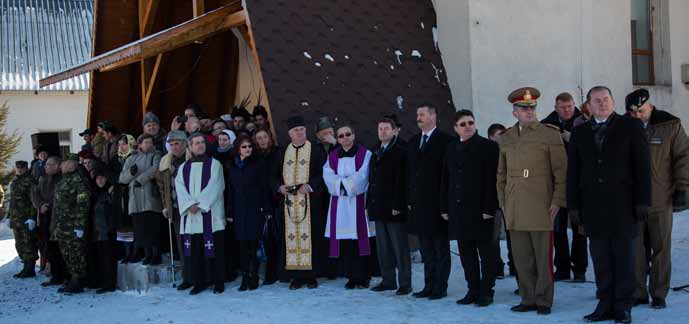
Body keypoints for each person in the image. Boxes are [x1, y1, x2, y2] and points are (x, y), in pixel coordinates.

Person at [568, 86, 651, 324]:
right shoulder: (580, 132)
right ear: (589, 106)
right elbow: (573, 171)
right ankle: (604, 303)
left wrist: (643, 200)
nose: (602, 103)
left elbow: (643, 166)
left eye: (606, 99)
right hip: (593, 207)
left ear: (613, 102)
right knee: (601, 259)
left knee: (624, 259)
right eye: (597, 100)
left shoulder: (631, 126)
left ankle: (623, 306)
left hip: (624, 205)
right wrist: (573, 205)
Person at [497, 87, 567, 315]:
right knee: (522, 257)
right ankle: (527, 297)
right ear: (514, 111)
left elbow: (561, 172)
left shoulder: (549, 134)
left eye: (532, 108)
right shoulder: (506, 138)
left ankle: (544, 300)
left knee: (543, 258)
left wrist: (557, 201)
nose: (529, 112)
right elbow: (501, 175)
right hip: (515, 206)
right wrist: (503, 203)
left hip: (541, 205)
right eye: (523, 109)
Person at [625, 89, 689, 309]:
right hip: (632, 200)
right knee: (636, 249)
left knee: (661, 248)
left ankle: (659, 293)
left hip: (661, 199)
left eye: (641, 111)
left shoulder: (670, 125)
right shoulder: (624, 127)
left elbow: (683, 157)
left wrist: (683, 188)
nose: (638, 116)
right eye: (633, 113)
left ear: (650, 107)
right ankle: (638, 292)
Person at [441, 110, 499, 307]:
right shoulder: (451, 148)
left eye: (470, 122)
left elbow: (492, 180)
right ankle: (472, 289)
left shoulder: (488, 147)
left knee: (487, 254)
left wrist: (489, 207)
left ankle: (486, 291)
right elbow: (445, 179)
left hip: (481, 209)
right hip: (458, 209)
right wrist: (444, 206)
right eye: (463, 124)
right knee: (466, 254)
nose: (468, 126)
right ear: (456, 128)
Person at [271, 115, 328, 290]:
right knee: (291, 240)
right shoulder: (281, 152)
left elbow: (324, 174)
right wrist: (279, 187)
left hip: (311, 205)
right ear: (290, 133)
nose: (300, 132)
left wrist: (311, 185)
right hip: (289, 206)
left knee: (312, 239)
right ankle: (295, 276)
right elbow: (272, 177)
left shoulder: (316, 150)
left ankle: (311, 276)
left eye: (302, 129)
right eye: (296, 130)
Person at [407, 103, 452, 300]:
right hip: (419, 205)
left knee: (440, 248)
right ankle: (428, 285)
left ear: (433, 116)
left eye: (422, 114)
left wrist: (445, 204)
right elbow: (410, 174)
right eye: (417, 114)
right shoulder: (414, 141)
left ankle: (440, 287)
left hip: (438, 204)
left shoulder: (446, 141)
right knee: (426, 249)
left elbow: (447, 175)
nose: (418, 117)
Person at [541, 92, 588, 282]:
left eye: (570, 107)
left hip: (579, 181)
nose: (567, 110)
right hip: (555, 182)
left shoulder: (584, 121)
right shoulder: (546, 124)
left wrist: (572, 138)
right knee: (558, 228)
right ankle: (561, 268)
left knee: (579, 228)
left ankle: (580, 269)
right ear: (556, 107)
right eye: (563, 107)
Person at [175, 132, 227, 295]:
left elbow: (216, 186)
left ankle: (218, 281)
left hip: (210, 215)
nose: (200, 145)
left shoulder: (215, 165)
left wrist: (200, 204)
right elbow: (179, 188)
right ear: (190, 147)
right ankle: (199, 282)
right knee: (196, 251)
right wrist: (189, 204)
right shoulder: (183, 168)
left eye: (202, 142)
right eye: (196, 143)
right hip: (192, 217)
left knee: (215, 250)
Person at [323, 126, 375, 289]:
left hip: (358, 202)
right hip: (340, 205)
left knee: (361, 239)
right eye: (341, 136)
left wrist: (345, 184)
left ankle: (364, 276)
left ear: (354, 135)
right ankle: (352, 276)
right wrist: (342, 185)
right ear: (337, 139)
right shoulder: (332, 157)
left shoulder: (365, 154)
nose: (345, 138)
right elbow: (328, 175)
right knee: (346, 242)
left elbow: (363, 174)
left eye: (348, 134)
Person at [367, 116, 411, 295]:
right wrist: (369, 202)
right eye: (380, 129)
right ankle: (388, 280)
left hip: (394, 206)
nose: (382, 131)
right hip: (378, 206)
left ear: (394, 131)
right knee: (383, 247)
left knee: (399, 247)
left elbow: (403, 181)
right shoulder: (376, 150)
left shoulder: (401, 150)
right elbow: (372, 180)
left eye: (386, 128)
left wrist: (399, 204)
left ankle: (405, 283)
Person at [226, 135, 272, 291]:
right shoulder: (232, 166)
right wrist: (230, 212)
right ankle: (244, 277)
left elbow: (264, 187)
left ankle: (254, 276)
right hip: (239, 211)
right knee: (242, 246)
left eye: (250, 147)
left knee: (254, 245)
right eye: (244, 147)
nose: (248, 149)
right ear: (238, 148)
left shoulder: (259, 164)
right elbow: (230, 191)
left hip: (255, 209)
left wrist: (266, 209)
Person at [156, 130, 193, 290]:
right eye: (171, 144)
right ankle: (187, 277)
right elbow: (162, 187)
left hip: (192, 208)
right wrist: (165, 205)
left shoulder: (191, 159)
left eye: (177, 143)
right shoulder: (165, 162)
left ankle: (199, 274)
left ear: (185, 144)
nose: (174, 147)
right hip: (176, 209)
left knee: (195, 243)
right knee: (182, 243)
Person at [119, 134, 163, 265]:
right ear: (139, 144)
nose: (148, 144)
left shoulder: (156, 155)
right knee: (140, 228)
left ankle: (156, 254)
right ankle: (147, 254)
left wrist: (140, 179)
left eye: (150, 142)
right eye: (146, 142)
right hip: (135, 199)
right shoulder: (131, 158)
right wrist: (131, 173)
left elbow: (155, 169)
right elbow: (122, 178)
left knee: (153, 227)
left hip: (150, 196)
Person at [52, 153, 91, 294]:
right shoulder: (63, 180)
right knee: (67, 253)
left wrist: (80, 225)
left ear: (73, 165)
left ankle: (78, 281)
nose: (62, 165)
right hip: (63, 224)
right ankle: (72, 278)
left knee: (76, 253)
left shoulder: (77, 180)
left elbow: (83, 204)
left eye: (65, 163)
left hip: (73, 224)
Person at [31, 156, 66, 286]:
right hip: (45, 216)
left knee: (60, 247)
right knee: (49, 247)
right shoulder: (42, 179)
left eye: (50, 165)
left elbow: (59, 197)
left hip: (57, 216)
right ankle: (55, 276)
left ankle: (64, 276)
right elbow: (35, 194)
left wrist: (49, 205)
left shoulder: (61, 179)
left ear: (57, 166)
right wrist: (41, 205)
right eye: (46, 165)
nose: (46, 167)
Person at [254, 129, 282, 284]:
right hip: (260, 202)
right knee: (265, 239)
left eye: (265, 137)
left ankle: (278, 272)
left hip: (277, 200)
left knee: (277, 237)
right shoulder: (255, 157)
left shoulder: (278, 153)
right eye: (259, 138)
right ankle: (269, 274)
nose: (263, 140)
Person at [9, 161, 38, 278]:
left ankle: (30, 268)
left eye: (22, 167)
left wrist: (32, 217)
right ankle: (25, 266)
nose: (20, 169)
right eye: (18, 167)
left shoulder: (30, 181)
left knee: (28, 243)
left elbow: (33, 201)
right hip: (16, 218)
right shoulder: (15, 181)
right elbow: (12, 200)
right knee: (19, 244)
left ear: (26, 168)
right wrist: (9, 216)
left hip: (26, 217)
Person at [111, 134, 138, 263]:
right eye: (120, 144)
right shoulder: (115, 159)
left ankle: (135, 252)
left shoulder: (135, 156)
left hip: (132, 193)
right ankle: (126, 252)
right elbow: (111, 175)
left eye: (124, 144)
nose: (121, 146)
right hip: (119, 194)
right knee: (122, 223)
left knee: (133, 223)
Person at [91, 167, 117, 293]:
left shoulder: (111, 192)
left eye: (102, 178)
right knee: (101, 258)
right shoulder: (95, 193)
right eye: (97, 178)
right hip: (97, 232)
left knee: (108, 259)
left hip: (108, 231)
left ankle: (109, 283)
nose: (100, 180)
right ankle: (102, 281)